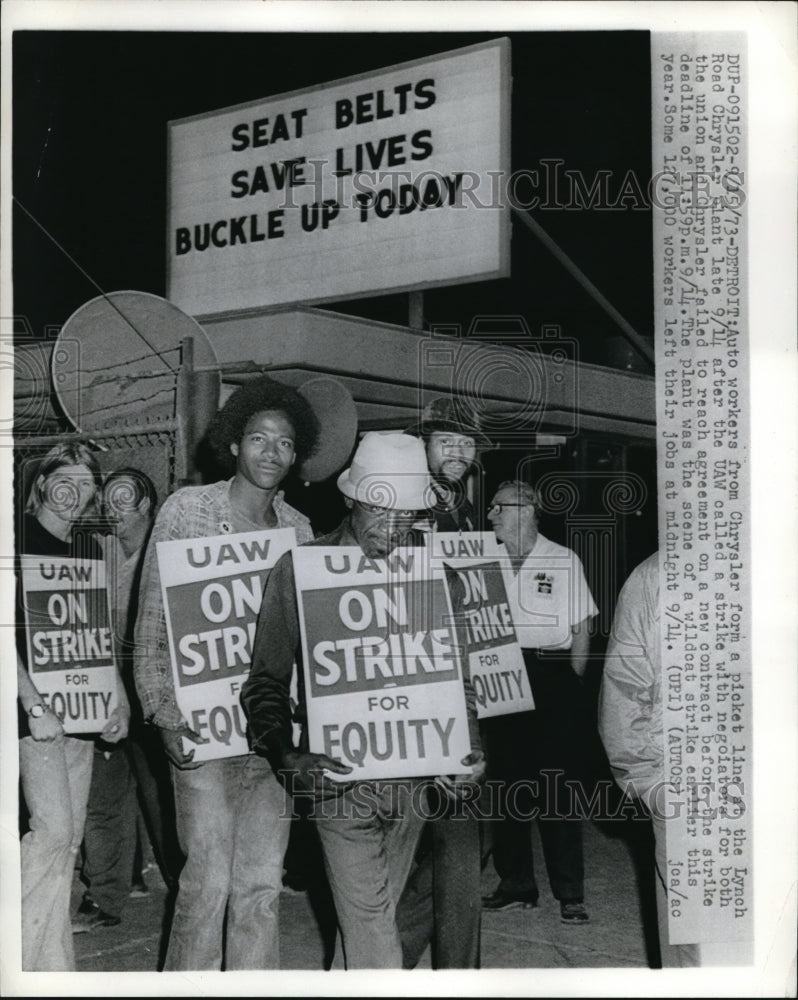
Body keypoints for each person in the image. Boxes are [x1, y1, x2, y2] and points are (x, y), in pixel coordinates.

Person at [242, 432, 483, 969]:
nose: (393, 530)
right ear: (351, 499)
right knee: (377, 945)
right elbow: (264, 683)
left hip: (414, 785)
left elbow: (457, 682)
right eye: (379, 508)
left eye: (406, 515)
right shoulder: (300, 570)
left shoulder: (434, 576)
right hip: (340, 783)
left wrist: (468, 751)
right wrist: (287, 754)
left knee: (367, 934)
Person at [133, 376, 319, 971]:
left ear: (296, 454)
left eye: (284, 443)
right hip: (203, 732)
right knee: (207, 884)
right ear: (234, 444)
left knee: (261, 889)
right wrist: (163, 712)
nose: (271, 452)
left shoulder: (300, 531)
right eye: (258, 438)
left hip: (271, 737)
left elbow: (311, 640)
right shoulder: (187, 511)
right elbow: (153, 618)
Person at [598, 552, 751, 967]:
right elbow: (624, 688)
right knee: (696, 947)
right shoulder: (653, 576)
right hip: (687, 784)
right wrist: (648, 784)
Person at [16, 443, 130, 970]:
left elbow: (98, 633)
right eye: (67, 481)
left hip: (81, 712)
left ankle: (51, 962)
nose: (77, 494)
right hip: (32, 718)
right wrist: (32, 702)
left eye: (87, 485)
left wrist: (117, 700)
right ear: (41, 484)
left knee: (70, 839)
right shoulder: (14, 541)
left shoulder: (88, 549)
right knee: (53, 831)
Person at [396, 396, 491, 969]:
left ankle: (455, 972)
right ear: (421, 445)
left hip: (461, 693)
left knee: (459, 845)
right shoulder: (399, 500)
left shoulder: (464, 511)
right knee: (402, 850)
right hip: (402, 693)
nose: (457, 450)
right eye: (445, 440)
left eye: (466, 442)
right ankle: (381, 958)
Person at [481, 479, 597, 925]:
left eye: (498, 507)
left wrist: (571, 682)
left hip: (551, 675)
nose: (491, 515)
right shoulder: (485, 558)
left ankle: (570, 891)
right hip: (502, 671)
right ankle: (516, 885)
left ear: (526, 509)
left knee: (557, 788)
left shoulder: (563, 559)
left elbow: (582, 628)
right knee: (507, 787)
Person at [75, 467, 183, 933]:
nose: (113, 510)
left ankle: (184, 892)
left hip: (151, 694)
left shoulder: (166, 555)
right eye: (108, 500)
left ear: (146, 504)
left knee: (163, 800)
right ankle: (105, 898)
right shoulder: (97, 554)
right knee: (103, 798)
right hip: (106, 692)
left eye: (124, 499)